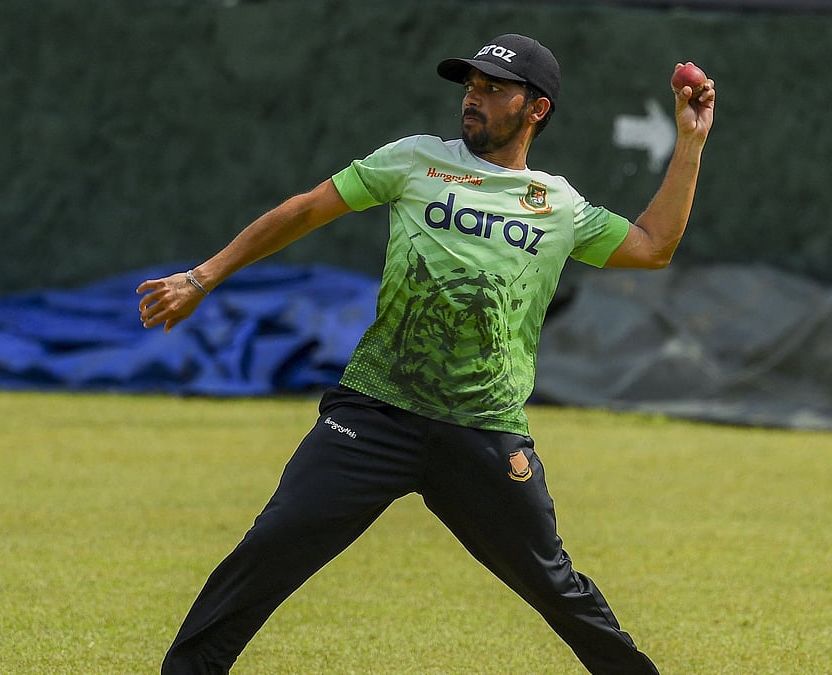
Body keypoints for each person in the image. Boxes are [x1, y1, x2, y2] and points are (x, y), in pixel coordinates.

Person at [138, 33, 715, 675]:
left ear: (536, 109)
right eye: (471, 84)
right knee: (270, 547)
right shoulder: (414, 160)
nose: (474, 97)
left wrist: (689, 141)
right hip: (375, 414)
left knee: (555, 587)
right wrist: (202, 276)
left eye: (494, 89)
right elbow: (303, 212)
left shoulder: (557, 205)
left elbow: (652, 246)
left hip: (483, 431)